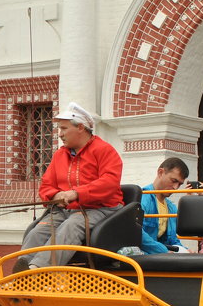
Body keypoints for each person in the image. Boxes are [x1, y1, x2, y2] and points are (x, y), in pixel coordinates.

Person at [18, 102, 124, 268]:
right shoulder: (60, 155)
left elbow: (109, 182)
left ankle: (36, 271)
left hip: (101, 209)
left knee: (71, 227)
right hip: (66, 209)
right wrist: (55, 196)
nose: (60, 134)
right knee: (37, 232)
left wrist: (76, 193)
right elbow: (46, 185)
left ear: (80, 127)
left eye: (64, 129)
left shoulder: (104, 150)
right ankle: (19, 274)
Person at [139, 157, 190, 254]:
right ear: (160, 172)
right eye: (174, 181)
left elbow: (173, 240)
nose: (175, 188)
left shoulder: (171, 207)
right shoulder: (143, 198)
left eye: (179, 184)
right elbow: (137, 233)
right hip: (142, 255)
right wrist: (164, 251)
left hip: (161, 256)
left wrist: (186, 251)